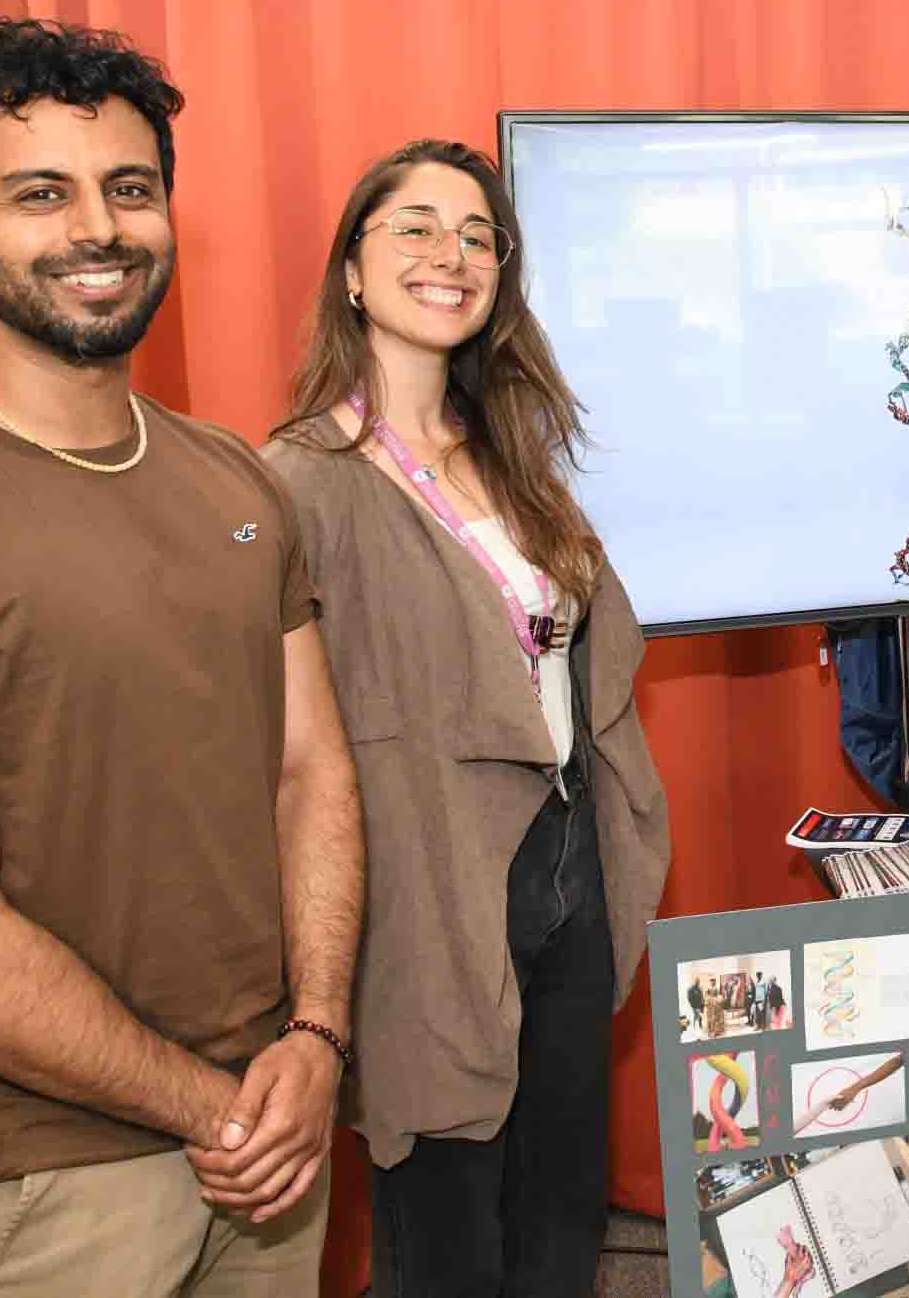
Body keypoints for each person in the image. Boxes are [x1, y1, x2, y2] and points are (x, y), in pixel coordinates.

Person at [0, 18, 363, 1295]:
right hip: (45, 1176)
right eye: (40, 193)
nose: (97, 227)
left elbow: (311, 770)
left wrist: (314, 1038)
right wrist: (213, 1107)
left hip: (272, 1129)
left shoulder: (232, 479)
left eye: (129, 188)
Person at [264, 139, 674, 1298]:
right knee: (444, 1207)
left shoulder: (513, 457)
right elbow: (286, 737)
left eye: (477, 235)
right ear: (351, 270)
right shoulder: (298, 480)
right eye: (414, 227)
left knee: (559, 1193)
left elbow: (583, 646)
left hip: (566, 859)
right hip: (426, 878)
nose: (450, 253)